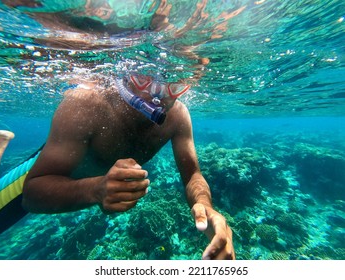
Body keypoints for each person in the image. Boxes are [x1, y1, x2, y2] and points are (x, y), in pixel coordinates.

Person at [22, 73, 235, 260]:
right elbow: (31, 194)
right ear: (127, 76)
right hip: (49, 171)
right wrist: (94, 190)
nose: (159, 94)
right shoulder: (85, 103)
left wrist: (205, 206)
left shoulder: (178, 116)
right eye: (144, 80)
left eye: (175, 86)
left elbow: (192, 176)